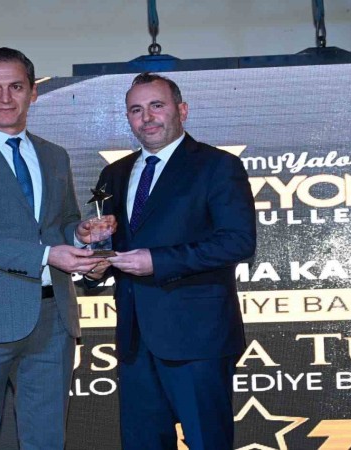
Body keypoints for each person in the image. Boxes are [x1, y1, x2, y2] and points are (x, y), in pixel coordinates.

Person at [0, 47, 111, 450]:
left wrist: (80, 235)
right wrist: (47, 255)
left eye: (16, 87)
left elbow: (61, 223)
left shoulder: (54, 155)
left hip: (53, 320)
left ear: (33, 92)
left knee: (46, 441)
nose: (5, 98)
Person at [86, 73, 256, 449]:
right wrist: (94, 263)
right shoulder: (113, 174)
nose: (146, 117)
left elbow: (238, 242)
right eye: (136, 110)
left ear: (182, 110)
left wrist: (158, 261)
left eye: (156, 106)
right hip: (134, 340)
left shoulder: (218, 166)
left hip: (198, 339)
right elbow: (109, 245)